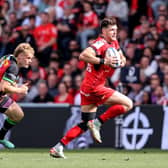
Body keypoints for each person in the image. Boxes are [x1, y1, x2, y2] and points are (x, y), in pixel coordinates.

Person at [50, 17, 133, 158]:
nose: (114, 33)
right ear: (103, 31)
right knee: (128, 104)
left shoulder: (114, 42)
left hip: (87, 88)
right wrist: (103, 60)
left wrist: (121, 61)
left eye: (116, 30)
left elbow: (122, 57)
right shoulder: (100, 43)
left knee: (84, 123)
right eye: (111, 30)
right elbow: (83, 56)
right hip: (95, 88)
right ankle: (98, 122)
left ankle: (58, 147)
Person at [0, 43, 34, 148]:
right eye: (28, 58)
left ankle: (0, 137)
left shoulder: (8, 57)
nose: (30, 61)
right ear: (20, 56)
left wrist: (15, 85)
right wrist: (20, 90)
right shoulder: (13, 67)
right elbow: (4, 87)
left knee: (17, 114)